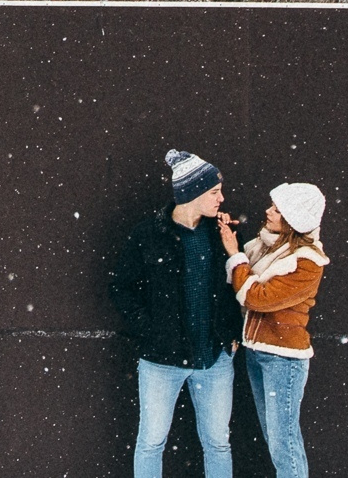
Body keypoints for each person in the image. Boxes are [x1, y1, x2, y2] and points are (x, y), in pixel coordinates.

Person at [108, 148, 243, 478]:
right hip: (160, 360)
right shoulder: (149, 235)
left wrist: (231, 331)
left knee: (218, 444)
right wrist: (150, 329)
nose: (221, 199)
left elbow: (237, 285)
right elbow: (121, 288)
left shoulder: (220, 234)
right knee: (152, 442)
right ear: (192, 193)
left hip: (214, 357)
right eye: (214, 192)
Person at [215, 181, 328, 478]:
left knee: (284, 443)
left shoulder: (307, 262)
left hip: (284, 359)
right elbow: (242, 275)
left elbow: (256, 297)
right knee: (275, 437)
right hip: (258, 352)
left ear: (292, 219)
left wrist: (233, 253)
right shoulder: (271, 247)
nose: (268, 211)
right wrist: (228, 236)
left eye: (276, 209)